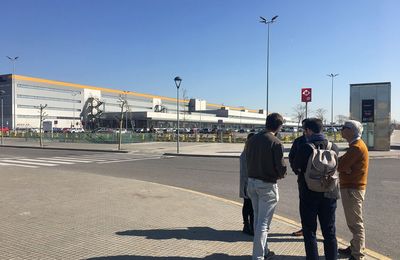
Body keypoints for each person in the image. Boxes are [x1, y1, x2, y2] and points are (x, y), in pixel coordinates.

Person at [293, 118, 339, 260]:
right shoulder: (333, 147)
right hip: (329, 192)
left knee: (309, 230)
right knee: (329, 231)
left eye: (305, 130)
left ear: (309, 130)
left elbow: (296, 167)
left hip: (309, 192)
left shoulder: (306, 147)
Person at [246, 113, 287, 260]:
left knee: (258, 220)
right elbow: (281, 167)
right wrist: (281, 174)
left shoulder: (252, 139)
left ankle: (264, 250)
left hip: (251, 182)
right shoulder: (275, 142)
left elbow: (247, 160)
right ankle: (258, 256)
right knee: (263, 224)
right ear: (279, 126)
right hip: (267, 185)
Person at [337, 120, 369, 260]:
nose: (341, 129)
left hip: (352, 188)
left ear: (351, 130)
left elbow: (340, 165)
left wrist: (344, 167)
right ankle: (355, 246)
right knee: (354, 221)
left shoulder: (356, 147)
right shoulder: (354, 146)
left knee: (355, 223)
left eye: (344, 128)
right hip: (352, 187)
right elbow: (342, 164)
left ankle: (357, 255)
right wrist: (345, 167)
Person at [288, 119, 309, 237]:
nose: (305, 130)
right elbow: (292, 157)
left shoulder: (324, 142)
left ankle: (325, 232)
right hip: (303, 179)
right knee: (304, 206)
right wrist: (297, 170)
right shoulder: (299, 141)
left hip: (322, 180)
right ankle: (305, 228)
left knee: (322, 208)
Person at [239, 132, 255, 235]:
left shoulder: (246, 151)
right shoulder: (248, 153)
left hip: (247, 182)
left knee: (248, 205)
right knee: (250, 205)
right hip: (248, 182)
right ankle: (248, 225)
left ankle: (248, 225)